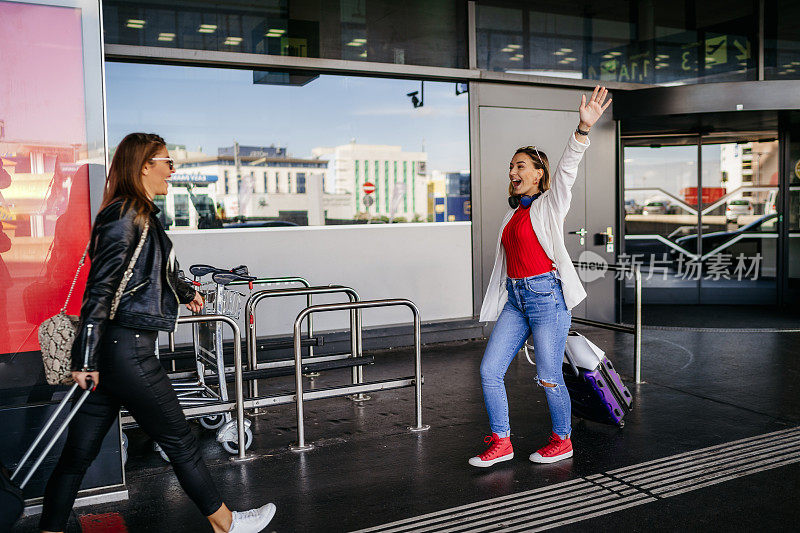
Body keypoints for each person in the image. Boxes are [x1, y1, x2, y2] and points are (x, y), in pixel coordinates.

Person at [39, 133, 276, 533]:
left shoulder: (138, 213)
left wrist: (185, 292)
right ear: (144, 165)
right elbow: (100, 288)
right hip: (128, 351)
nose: (173, 169)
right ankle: (227, 525)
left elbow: (149, 272)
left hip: (115, 355)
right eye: (166, 161)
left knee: (77, 456)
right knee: (181, 441)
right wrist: (84, 358)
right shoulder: (125, 214)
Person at [470, 86, 612, 468]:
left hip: (546, 298)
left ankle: (562, 439)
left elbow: (568, 167)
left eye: (520, 166)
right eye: (511, 166)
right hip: (517, 299)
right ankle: (502, 441)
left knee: (549, 377)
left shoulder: (551, 203)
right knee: (489, 371)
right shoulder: (512, 213)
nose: (512, 171)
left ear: (538, 173)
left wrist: (582, 130)